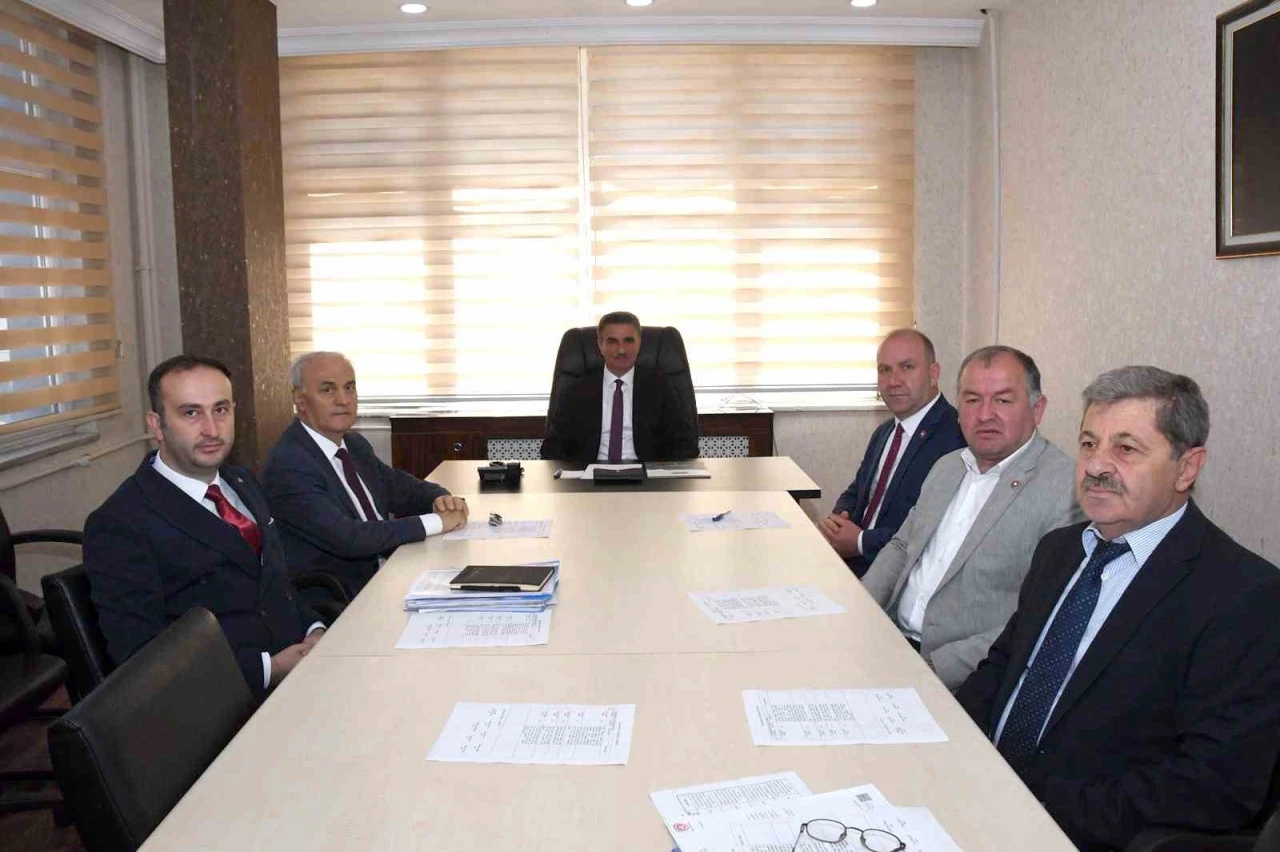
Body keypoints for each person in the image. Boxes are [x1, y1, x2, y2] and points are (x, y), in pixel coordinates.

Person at [956, 366, 1280, 851]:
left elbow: (1215, 785)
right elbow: (1003, 667)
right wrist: (951, 745)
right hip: (974, 789)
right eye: (1089, 444)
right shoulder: (1060, 550)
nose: (1096, 466)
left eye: (1126, 449)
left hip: (1074, 831)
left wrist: (1036, 803)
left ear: (1187, 467)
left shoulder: (1245, 595)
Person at [84, 355, 324, 701]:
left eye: (221, 410)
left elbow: (273, 583)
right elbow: (141, 660)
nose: (212, 430)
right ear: (157, 425)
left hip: (301, 670)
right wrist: (269, 668)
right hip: (223, 705)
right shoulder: (120, 523)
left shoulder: (242, 482)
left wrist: (314, 629)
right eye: (191, 413)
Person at [860, 345, 1082, 688]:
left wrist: (931, 670)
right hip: (889, 641)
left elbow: (1042, 616)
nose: (985, 414)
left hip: (961, 675)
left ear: (1037, 409)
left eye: (1003, 400)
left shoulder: (1066, 490)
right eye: (972, 399)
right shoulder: (947, 466)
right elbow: (902, 546)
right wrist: (859, 610)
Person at [262, 352, 468, 596]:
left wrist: (440, 499)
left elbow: (397, 486)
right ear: (300, 400)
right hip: (346, 596)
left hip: (391, 571)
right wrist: (438, 522)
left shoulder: (353, 444)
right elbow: (349, 537)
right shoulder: (289, 464)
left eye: (349, 388)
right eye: (328, 390)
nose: (343, 400)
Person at [820, 329, 966, 576]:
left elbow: (938, 531)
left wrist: (860, 542)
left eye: (907, 367)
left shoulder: (956, 436)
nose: (893, 381)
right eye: (884, 370)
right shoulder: (885, 432)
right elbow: (857, 490)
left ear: (933, 374)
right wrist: (839, 521)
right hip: (852, 565)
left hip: (898, 578)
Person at [540, 311, 698, 464]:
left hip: (646, 474)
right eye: (612, 341)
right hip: (590, 474)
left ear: (639, 343)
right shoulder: (576, 391)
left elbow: (686, 444)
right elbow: (552, 448)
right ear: (600, 345)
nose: (621, 350)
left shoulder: (661, 388)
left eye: (628, 341)